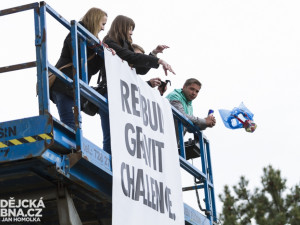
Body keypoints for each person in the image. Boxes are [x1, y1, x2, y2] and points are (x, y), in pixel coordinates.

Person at [99, 15, 175, 153]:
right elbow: (130, 57)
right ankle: (109, 167)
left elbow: (140, 69)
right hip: (111, 91)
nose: (131, 32)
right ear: (121, 27)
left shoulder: (125, 45)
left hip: (124, 95)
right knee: (111, 133)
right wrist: (158, 61)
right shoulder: (109, 41)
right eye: (130, 28)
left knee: (124, 135)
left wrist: (154, 54)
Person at [50, 8, 107, 130]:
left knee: (74, 126)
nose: (103, 28)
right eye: (103, 24)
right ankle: (70, 149)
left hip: (71, 88)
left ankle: (72, 148)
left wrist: (103, 54)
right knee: (72, 126)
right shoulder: (77, 31)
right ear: (94, 20)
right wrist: (96, 46)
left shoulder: (92, 41)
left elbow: (91, 69)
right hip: (64, 84)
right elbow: (78, 56)